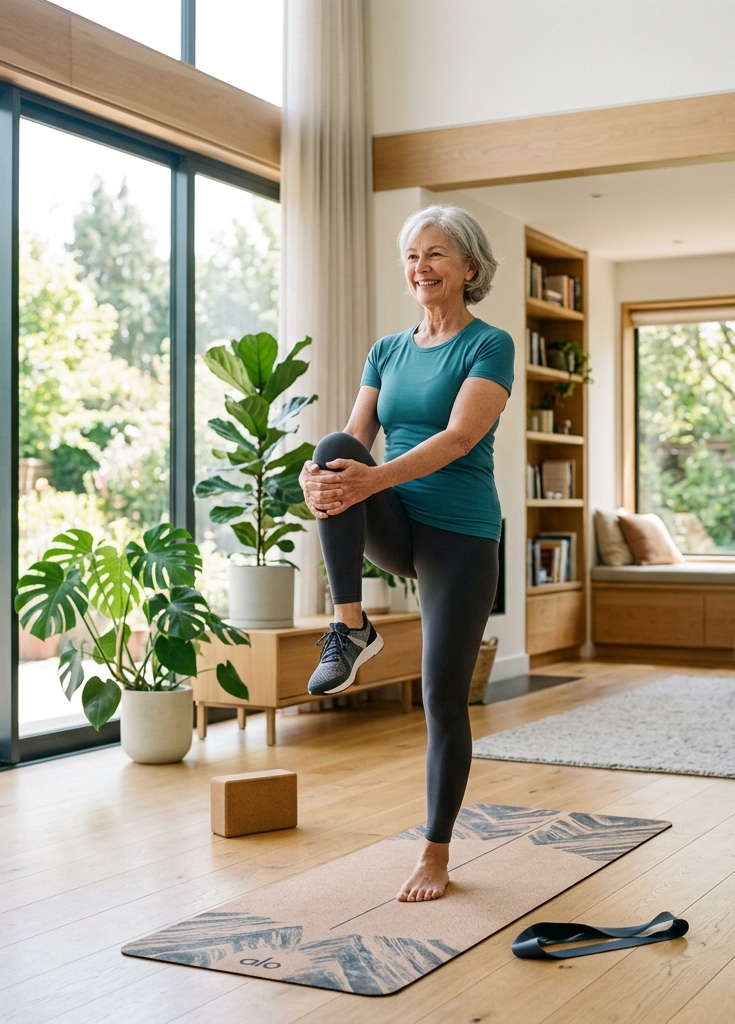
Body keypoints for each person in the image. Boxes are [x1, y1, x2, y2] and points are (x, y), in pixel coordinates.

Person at [298, 204, 513, 903]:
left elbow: (457, 439)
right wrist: (322, 482)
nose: (421, 267)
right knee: (331, 451)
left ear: (469, 268)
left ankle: (435, 851)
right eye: (412, 256)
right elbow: (356, 439)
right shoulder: (386, 351)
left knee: (442, 696)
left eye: (437, 254)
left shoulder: (489, 345)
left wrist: (368, 479)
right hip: (395, 522)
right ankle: (352, 625)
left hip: (462, 536)